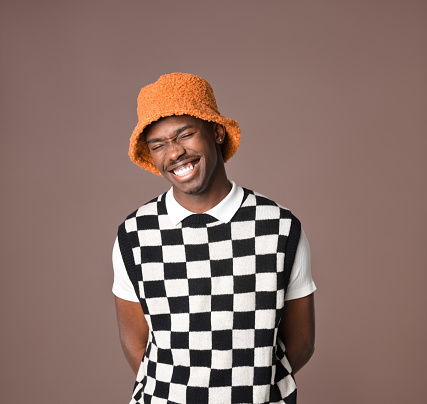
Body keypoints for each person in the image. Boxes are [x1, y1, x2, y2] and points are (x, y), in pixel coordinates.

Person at [112, 73, 316, 404]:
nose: (174, 153)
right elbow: (135, 340)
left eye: (185, 135)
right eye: (158, 145)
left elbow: (301, 341)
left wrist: (247, 388)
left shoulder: (278, 227)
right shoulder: (136, 233)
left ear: (216, 132)